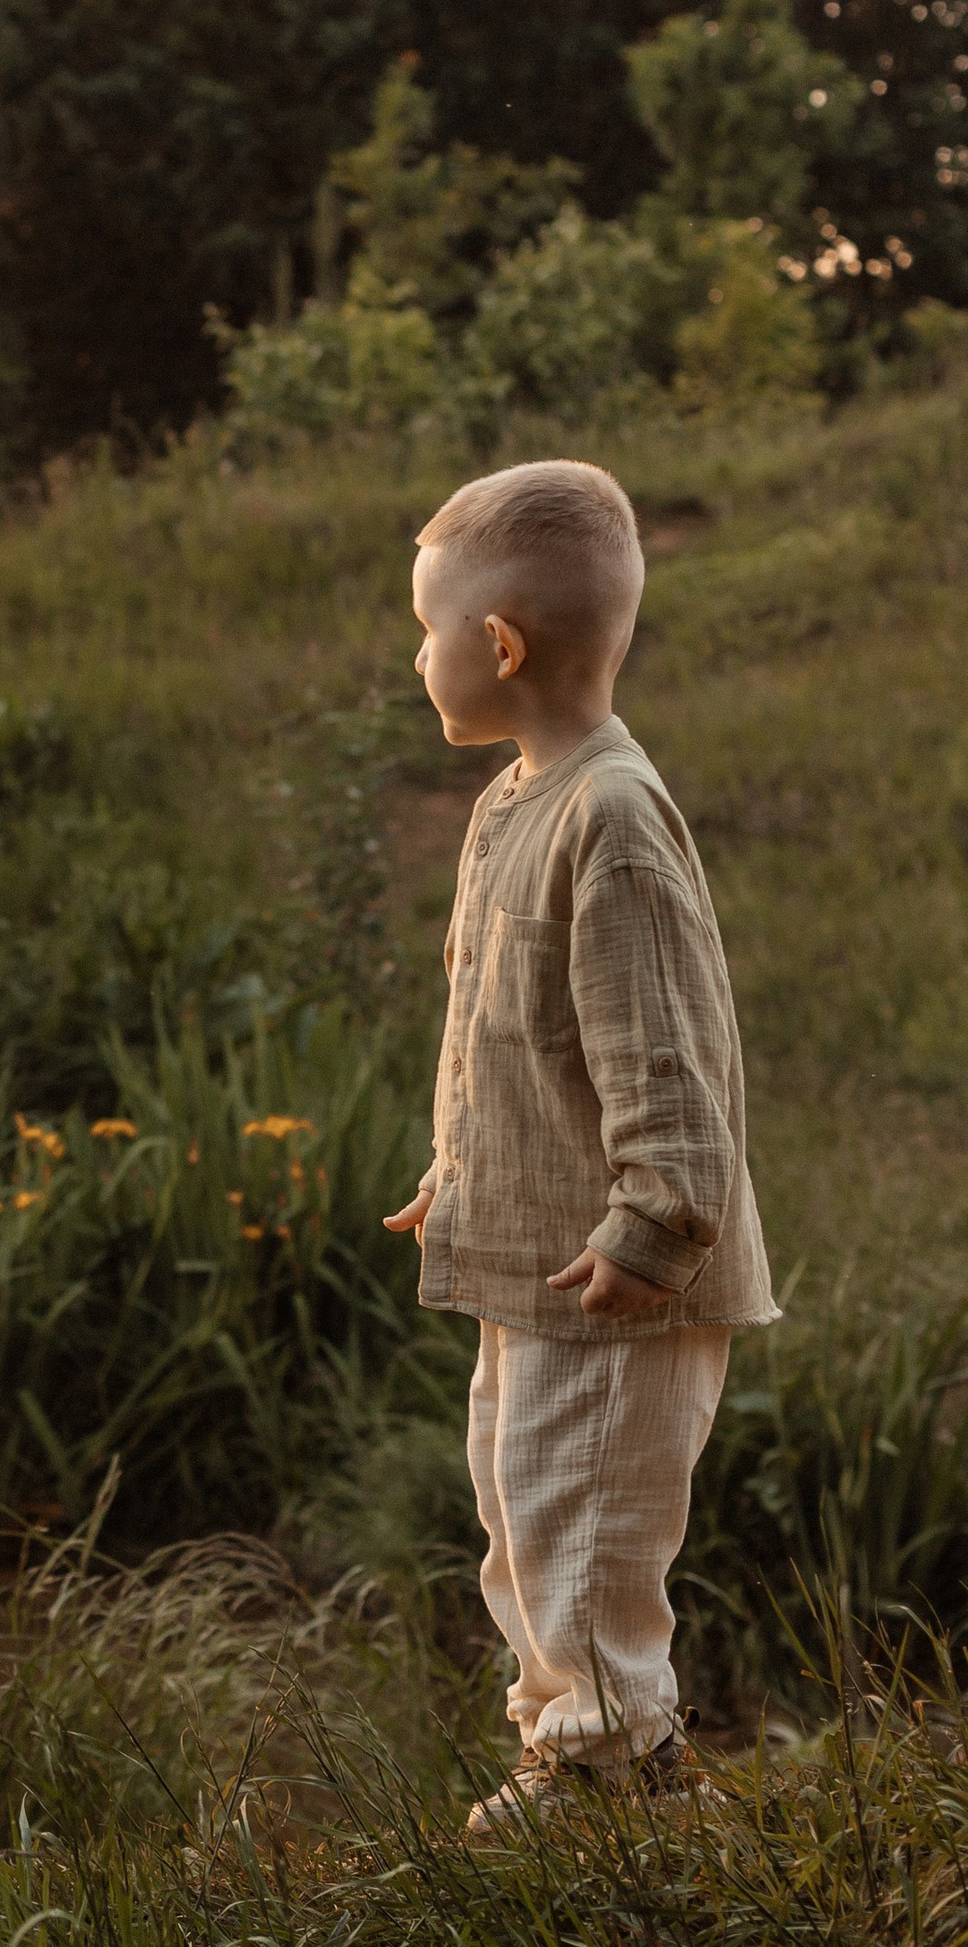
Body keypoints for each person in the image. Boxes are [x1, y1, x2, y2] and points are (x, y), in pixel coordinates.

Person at [383, 458, 776, 1840]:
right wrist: (457, 1171)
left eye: (426, 630)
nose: (416, 656)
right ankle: (585, 1753)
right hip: (537, 1255)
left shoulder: (611, 816)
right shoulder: (516, 800)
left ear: (498, 645)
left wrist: (654, 1225)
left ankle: (614, 1773)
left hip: (619, 1281)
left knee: (594, 1528)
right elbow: (514, 1031)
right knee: (528, 1513)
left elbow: (664, 1052)